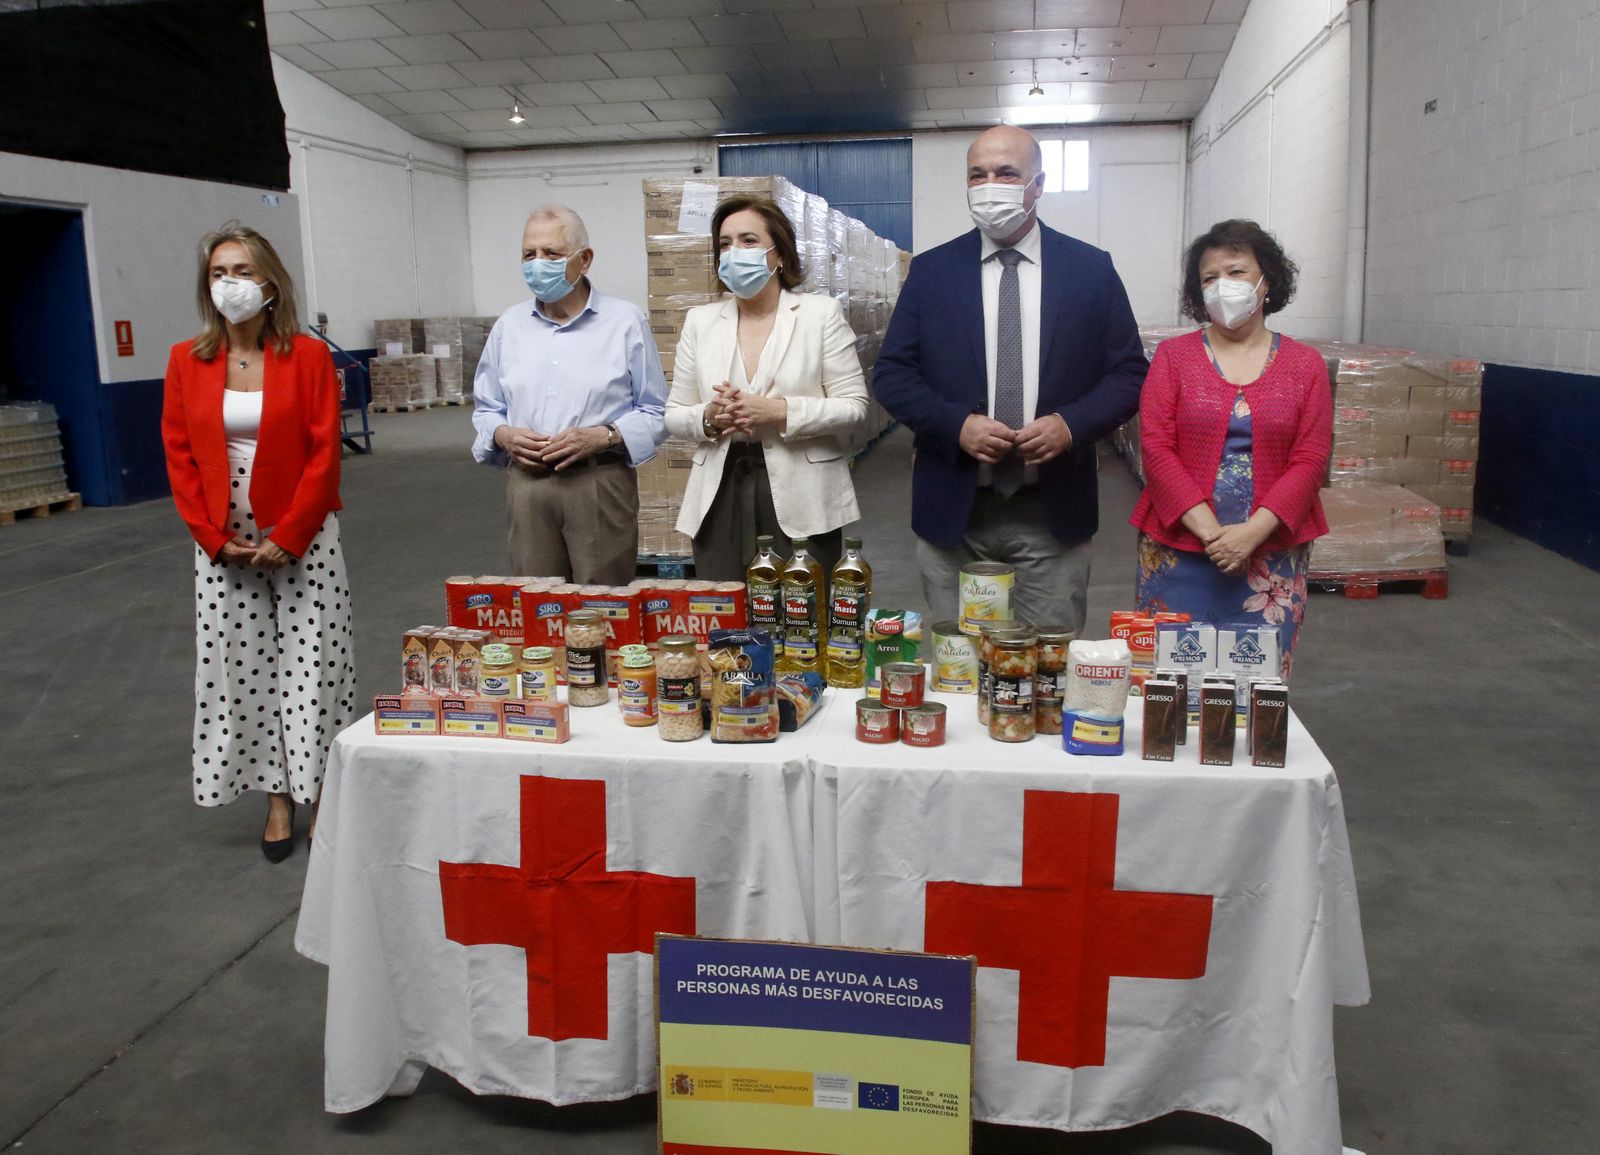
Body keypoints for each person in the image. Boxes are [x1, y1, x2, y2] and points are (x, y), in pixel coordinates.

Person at [874, 125, 1147, 633]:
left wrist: (1071, 424)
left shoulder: (1090, 271)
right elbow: (893, 375)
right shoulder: (932, 273)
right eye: (978, 175)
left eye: (1006, 173)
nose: (990, 185)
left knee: (1046, 666)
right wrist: (957, 425)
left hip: (1051, 511)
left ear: (1037, 185)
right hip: (954, 512)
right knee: (960, 665)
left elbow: (1129, 373)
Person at [161, 222, 355, 862]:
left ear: (270, 283)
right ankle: (276, 800)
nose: (230, 284)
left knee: (313, 667)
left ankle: (322, 791)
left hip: (302, 540)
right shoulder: (186, 362)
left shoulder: (306, 357)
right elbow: (180, 458)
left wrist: (292, 534)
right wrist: (214, 540)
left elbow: (325, 455)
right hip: (225, 548)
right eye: (219, 273)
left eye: (242, 271)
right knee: (241, 673)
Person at [1130, 219, 1332, 678]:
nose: (1223, 284)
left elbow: (1310, 459)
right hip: (1178, 545)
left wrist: (1249, 534)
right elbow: (1157, 448)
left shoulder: (1305, 365)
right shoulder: (1173, 358)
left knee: (1255, 684)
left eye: (1237, 271)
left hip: (1271, 553)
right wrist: (1212, 534)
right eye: (1209, 277)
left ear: (1267, 281)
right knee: (1173, 680)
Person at [665, 194, 867, 581]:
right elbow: (675, 414)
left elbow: (854, 406)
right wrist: (708, 416)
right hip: (721, 489)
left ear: (780, 255)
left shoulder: (819, 315)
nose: (734, 252)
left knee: (802, 616)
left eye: (748, 240)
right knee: (725, 609)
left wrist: (780, 411)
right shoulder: (701, 321)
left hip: (804, 492)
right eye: (725, 244)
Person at [472, 205, 668, 584]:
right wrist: (502, 434)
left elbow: (655, 410)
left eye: (552, 254)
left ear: (585, 259)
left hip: (598, 482)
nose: (538, 264)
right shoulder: (508, 327)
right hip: (528, 485)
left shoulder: (625, 322)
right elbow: (487, 408)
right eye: (529, 255)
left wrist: (603, 435)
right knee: (536, 602)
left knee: (604, 604)